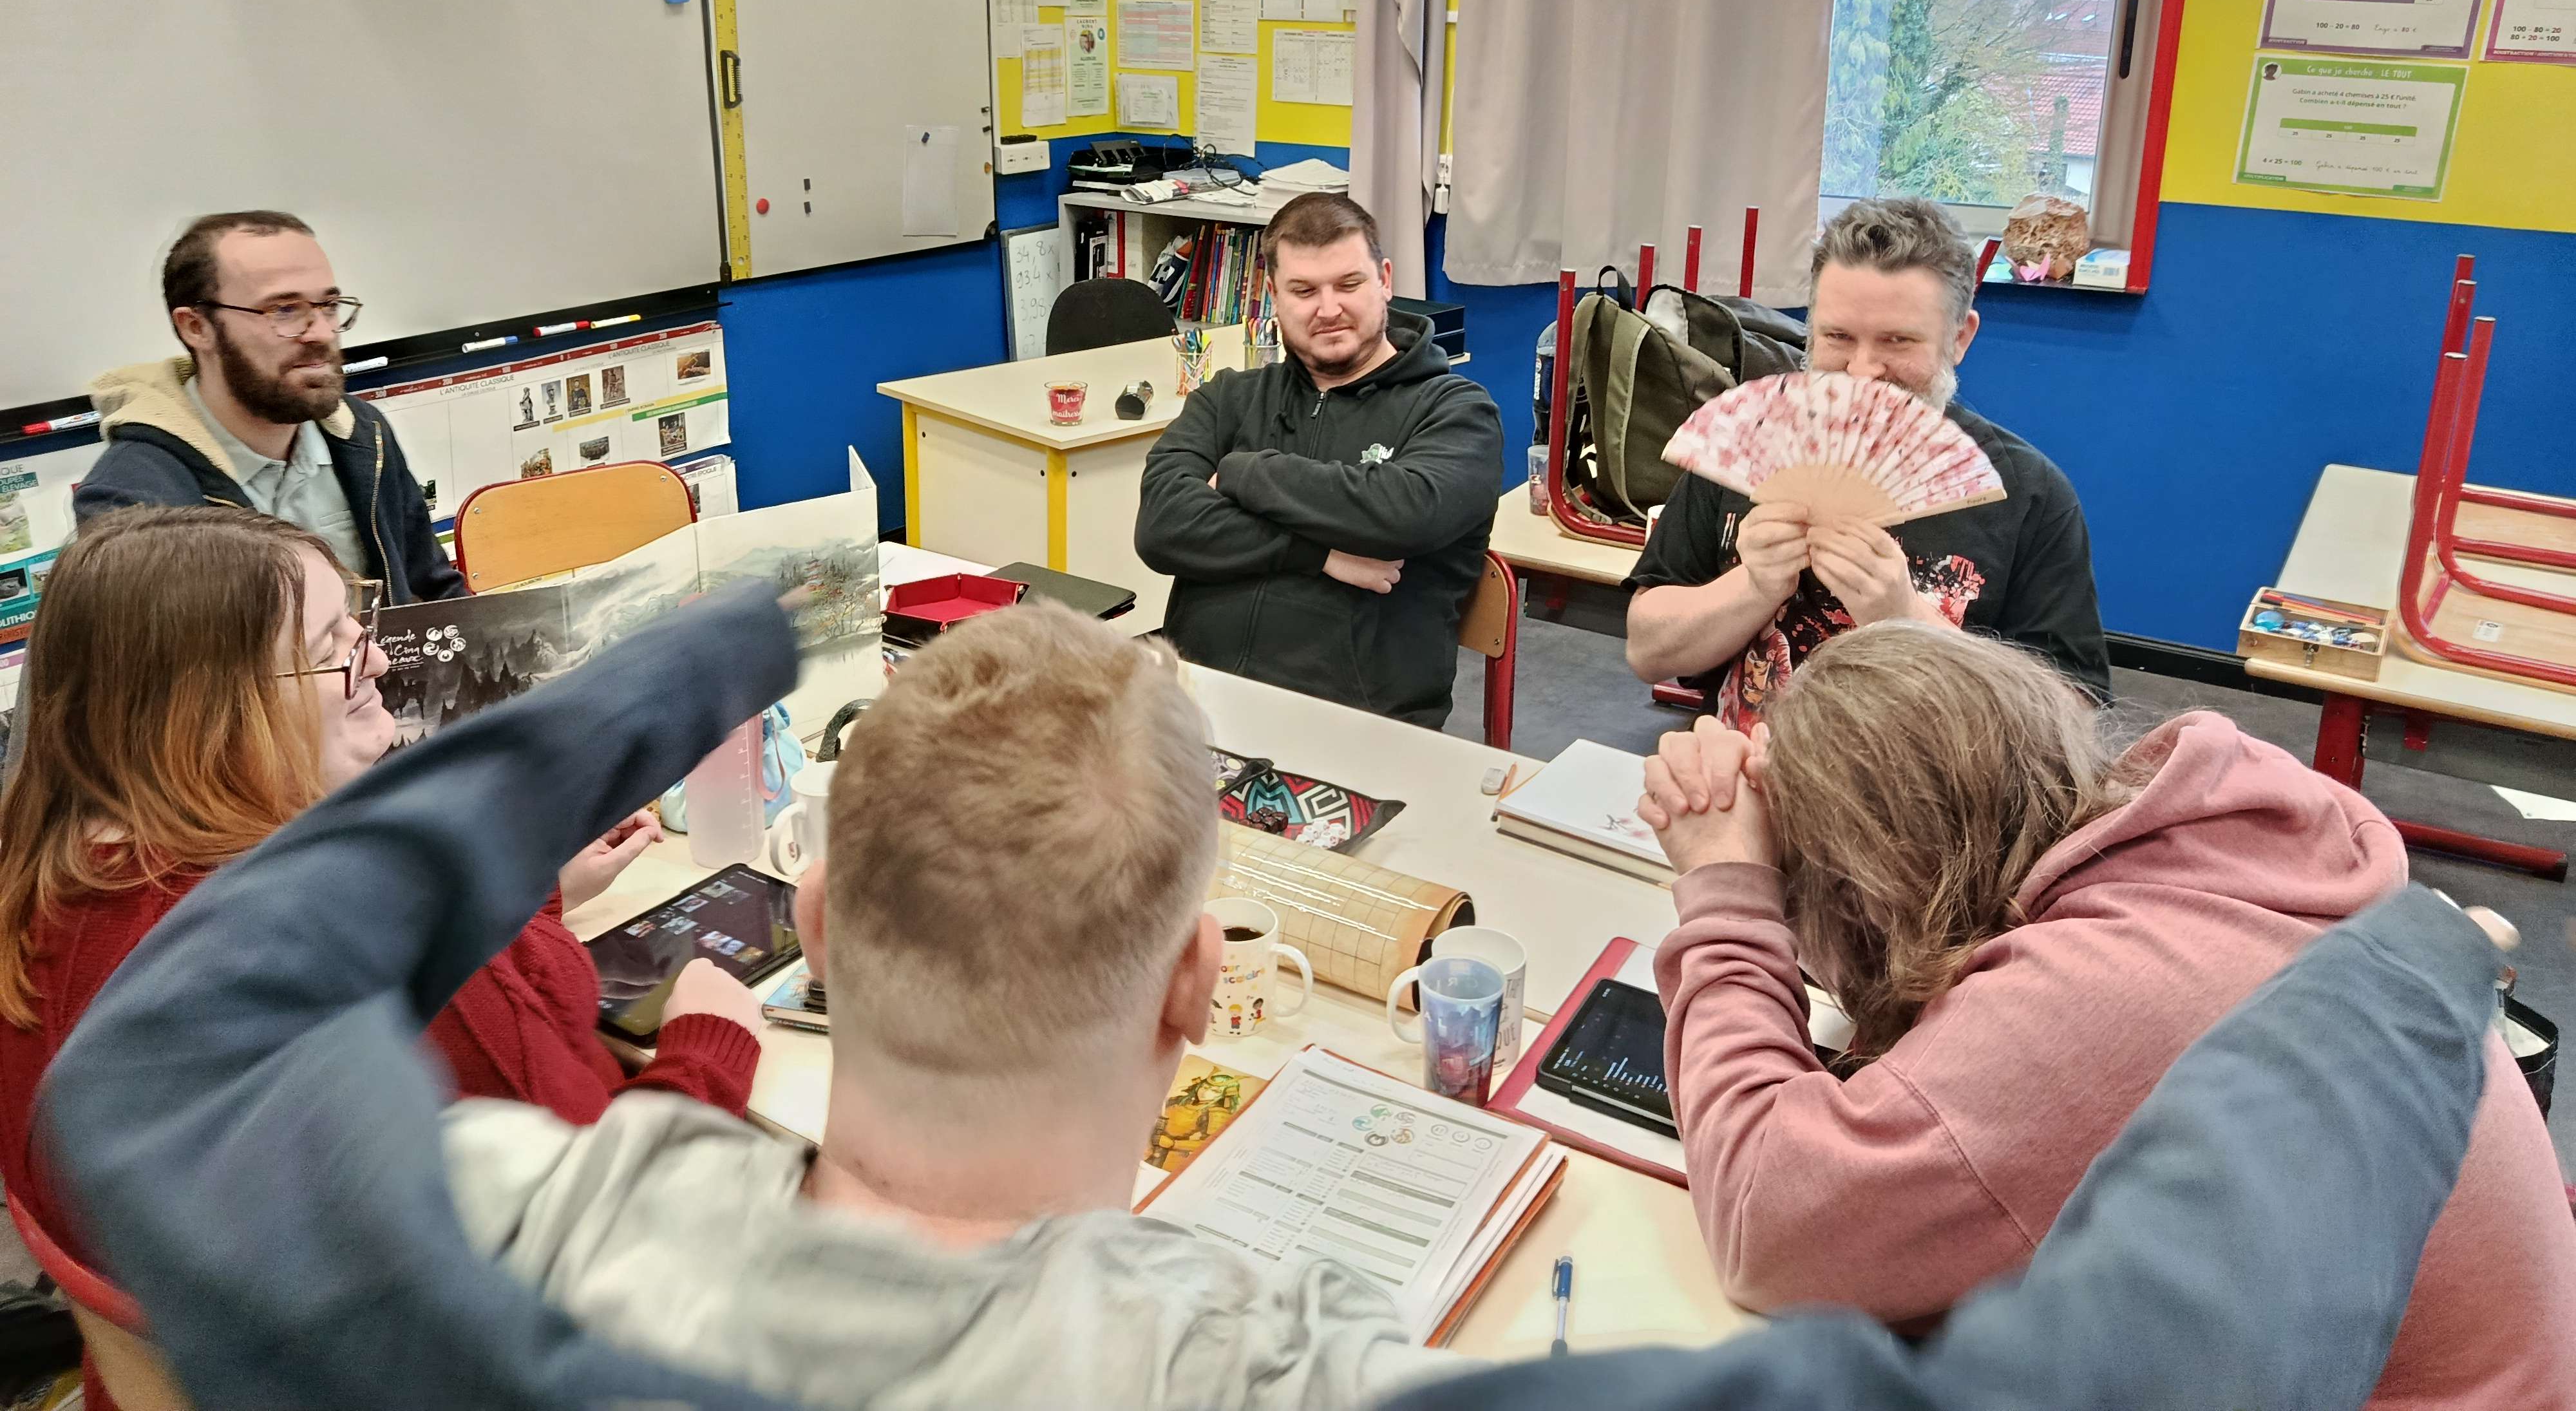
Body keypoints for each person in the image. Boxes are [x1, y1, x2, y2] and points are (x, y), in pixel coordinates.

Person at [32, 582, 2535, 1411]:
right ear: (1196, 994)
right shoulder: (1253, 1371)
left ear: (805, 915)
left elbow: (198, 1035)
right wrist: (2406, 979)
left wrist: (619, 703)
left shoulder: (495, 1233)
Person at [1635, 618, 2576, 1407]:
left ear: (1865, 892)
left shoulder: (2085, 994)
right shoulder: (2201, 849)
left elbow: (1767, 1225)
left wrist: (1729, 887)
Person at [0, 509, 759, 1401]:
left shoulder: (45, 911)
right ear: (208, 711)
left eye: (356, 626)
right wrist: (708, 1053)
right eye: (331, 648)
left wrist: (517, 894)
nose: (379, 663)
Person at [1625, 198, 2107, 728]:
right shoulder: (1749, 447)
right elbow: (1647, 652)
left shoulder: (2030, 494)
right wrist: (1753, 587)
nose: (1861, 370)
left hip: (1930, 781)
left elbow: (2075, 720)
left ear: (1960, 338)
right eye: (1838, 337)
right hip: (1740, 770)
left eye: (1897, 341)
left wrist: (1905, 616)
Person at [1136, 193, 1503, 726]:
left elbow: (1404, 512)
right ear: (1272, 295)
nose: (1328, 310)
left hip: (1354, 723)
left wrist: (1242, 472)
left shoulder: (1456, 412)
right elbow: (1163, 525)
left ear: (1385, 280)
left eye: (1348, 285)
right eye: (1304, 291)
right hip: (1195, 703)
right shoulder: (1229, 398)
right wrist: (1317, 553)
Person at [75, 209, 462, 603]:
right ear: (196, 327)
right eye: (284, 310)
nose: (322, 333)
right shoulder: (130, 502)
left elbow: (436, 593)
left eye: (329, 305)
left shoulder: (363, 434)